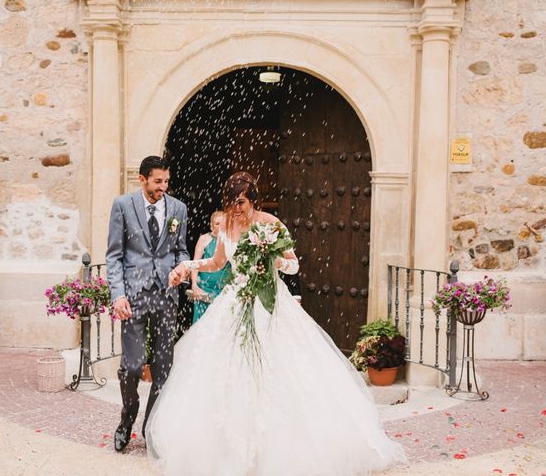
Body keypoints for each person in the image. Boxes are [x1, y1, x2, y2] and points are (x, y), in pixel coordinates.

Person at [147, 172, 406, 475]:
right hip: (235, 302)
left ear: (253, 200)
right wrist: (186, 265)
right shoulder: (228, 225)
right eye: (231, 203)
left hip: (270, 305)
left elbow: (294, 263)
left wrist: (271, 259)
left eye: (241, 202)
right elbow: (217, 263)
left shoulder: (271, 224)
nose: (236, 209)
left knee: (281, 370)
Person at [105, 156, 190, 452]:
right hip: (134, 298)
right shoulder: (122, 205)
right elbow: (114, 255)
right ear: (142, 179)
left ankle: (151, 427)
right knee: (130, 366)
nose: (163, 188)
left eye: (166, 182)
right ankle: (127, 418)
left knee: (163, 369)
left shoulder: (178, 208)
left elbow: (180, 250)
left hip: (166, 298)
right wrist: (118, 295)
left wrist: (182, 268)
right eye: (157, 182)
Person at [190, 211, 230, 323]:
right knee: (202, 324)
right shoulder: (204, 239)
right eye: (217, 223)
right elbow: (195, 263)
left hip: (224, 289)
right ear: (211, 225)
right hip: (205, 289)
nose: (220, 226)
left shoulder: (231, 240)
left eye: (223, 223)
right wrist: (194, 285)